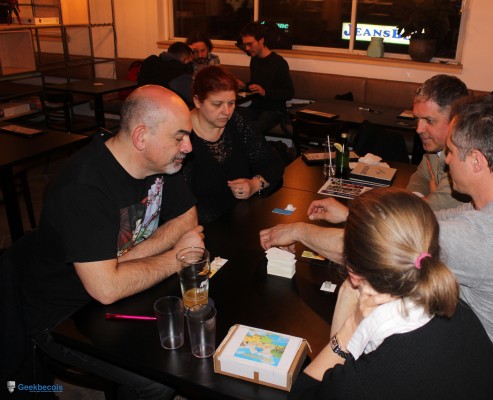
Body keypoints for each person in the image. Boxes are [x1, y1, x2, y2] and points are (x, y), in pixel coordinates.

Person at [260, 94, 493, 394]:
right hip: (466, 346)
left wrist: (298, 230)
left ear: (477, 161)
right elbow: (420, 226)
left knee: (355, 289)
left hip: (466, 376)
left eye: (452, 151)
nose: (447, 160)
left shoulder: (481, 237)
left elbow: (372, 253)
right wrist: (351, 215)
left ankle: (334, 376)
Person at [3, 85, 204, 399]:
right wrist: (177, 256)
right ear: (141, 136)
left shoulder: (161, 163)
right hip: (63, 314)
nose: (188, 147)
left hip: (108, 292)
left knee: (191, 335)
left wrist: (127, 260)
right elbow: (106, 289)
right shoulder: (84, 186)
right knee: (159, 380)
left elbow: (188, 218)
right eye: (179, 137)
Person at [289, 188, 493, 399]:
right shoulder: (455, 307)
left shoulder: (374, 374)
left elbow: (303, 393)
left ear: (353, 273)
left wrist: (350, 328)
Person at [183, 65, 284, 225]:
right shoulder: (182, 135)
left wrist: (254, 184)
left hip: (241, 215)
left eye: (231, 103)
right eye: (217, 104)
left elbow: (273, 164)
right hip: (201, 225)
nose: (227, 111)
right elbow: (179, 202)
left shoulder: (238, 120)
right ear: (197, 101)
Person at [407, 74, 470, 210]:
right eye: (417, 119)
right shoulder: (436, 148)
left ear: (455, 120)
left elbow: (437, 208)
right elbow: (420, 176)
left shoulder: (465, 158)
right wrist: (419, 196)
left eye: (429, 120)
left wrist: (429, 198)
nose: (419, 129)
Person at [238, 21, 294, 135]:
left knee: (253, 130)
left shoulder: (279, 62)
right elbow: (255, 86)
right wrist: (244, 86)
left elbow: (289, 93)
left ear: (261, 40)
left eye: (250, 44)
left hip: (275, 110)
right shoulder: (254, 60)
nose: (247, 48)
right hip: (257, 107)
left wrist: (265, 92)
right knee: (233, 118)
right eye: (245, 45)